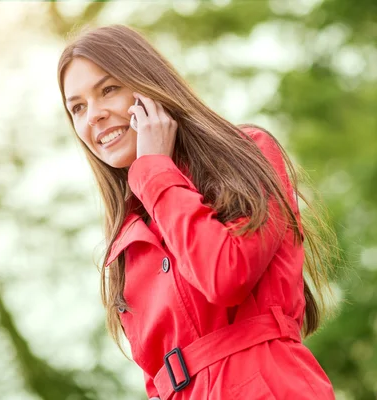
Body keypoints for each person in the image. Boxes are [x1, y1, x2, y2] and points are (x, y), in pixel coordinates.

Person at [57, 24, 336, 400]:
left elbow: (226, 274)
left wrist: (154, 168)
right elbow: (156, 379)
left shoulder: (245, 153)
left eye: (108, 90)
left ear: (147, 84)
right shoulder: (126, 241)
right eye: (78, 107)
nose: (94, 115)